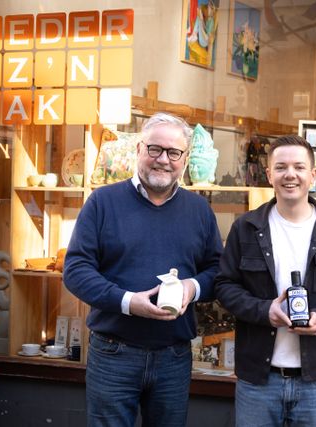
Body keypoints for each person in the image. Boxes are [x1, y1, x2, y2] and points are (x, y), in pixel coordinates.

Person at [63, 112, 223, 427]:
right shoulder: (102, 202)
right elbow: (76, 270)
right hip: (113, 354)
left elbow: (218, 271)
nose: (163, 160)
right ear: (139, 149)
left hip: (174, 357)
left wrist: (191, 288)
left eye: (174, 152)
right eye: (155, 149)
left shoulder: (199, 211)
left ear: (185, 159)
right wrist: (128, 302)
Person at [215, 134, 316, 426]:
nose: (290, 174)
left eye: (299, 167)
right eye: (281, 167)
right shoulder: (245, 228)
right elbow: (224, 285)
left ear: (313, 175)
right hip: (258, 382)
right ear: (268, 174)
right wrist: (264, 311)